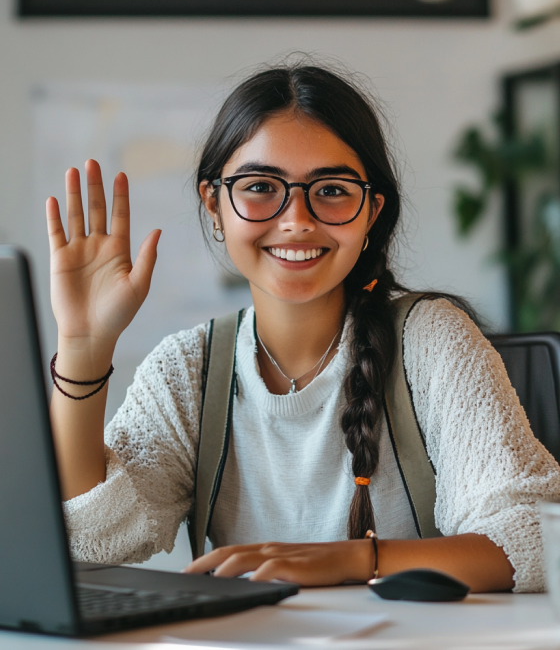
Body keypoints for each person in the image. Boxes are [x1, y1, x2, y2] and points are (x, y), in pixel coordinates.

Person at [46, 63, 560, 594]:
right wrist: (83, 347)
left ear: (371, 213)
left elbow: (534, 538)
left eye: (332, 190)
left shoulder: (430, 341)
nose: (296, 219)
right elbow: (88, 544)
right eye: (262, 186)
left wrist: (355, 560)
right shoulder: (186, 369)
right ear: (214, 204)